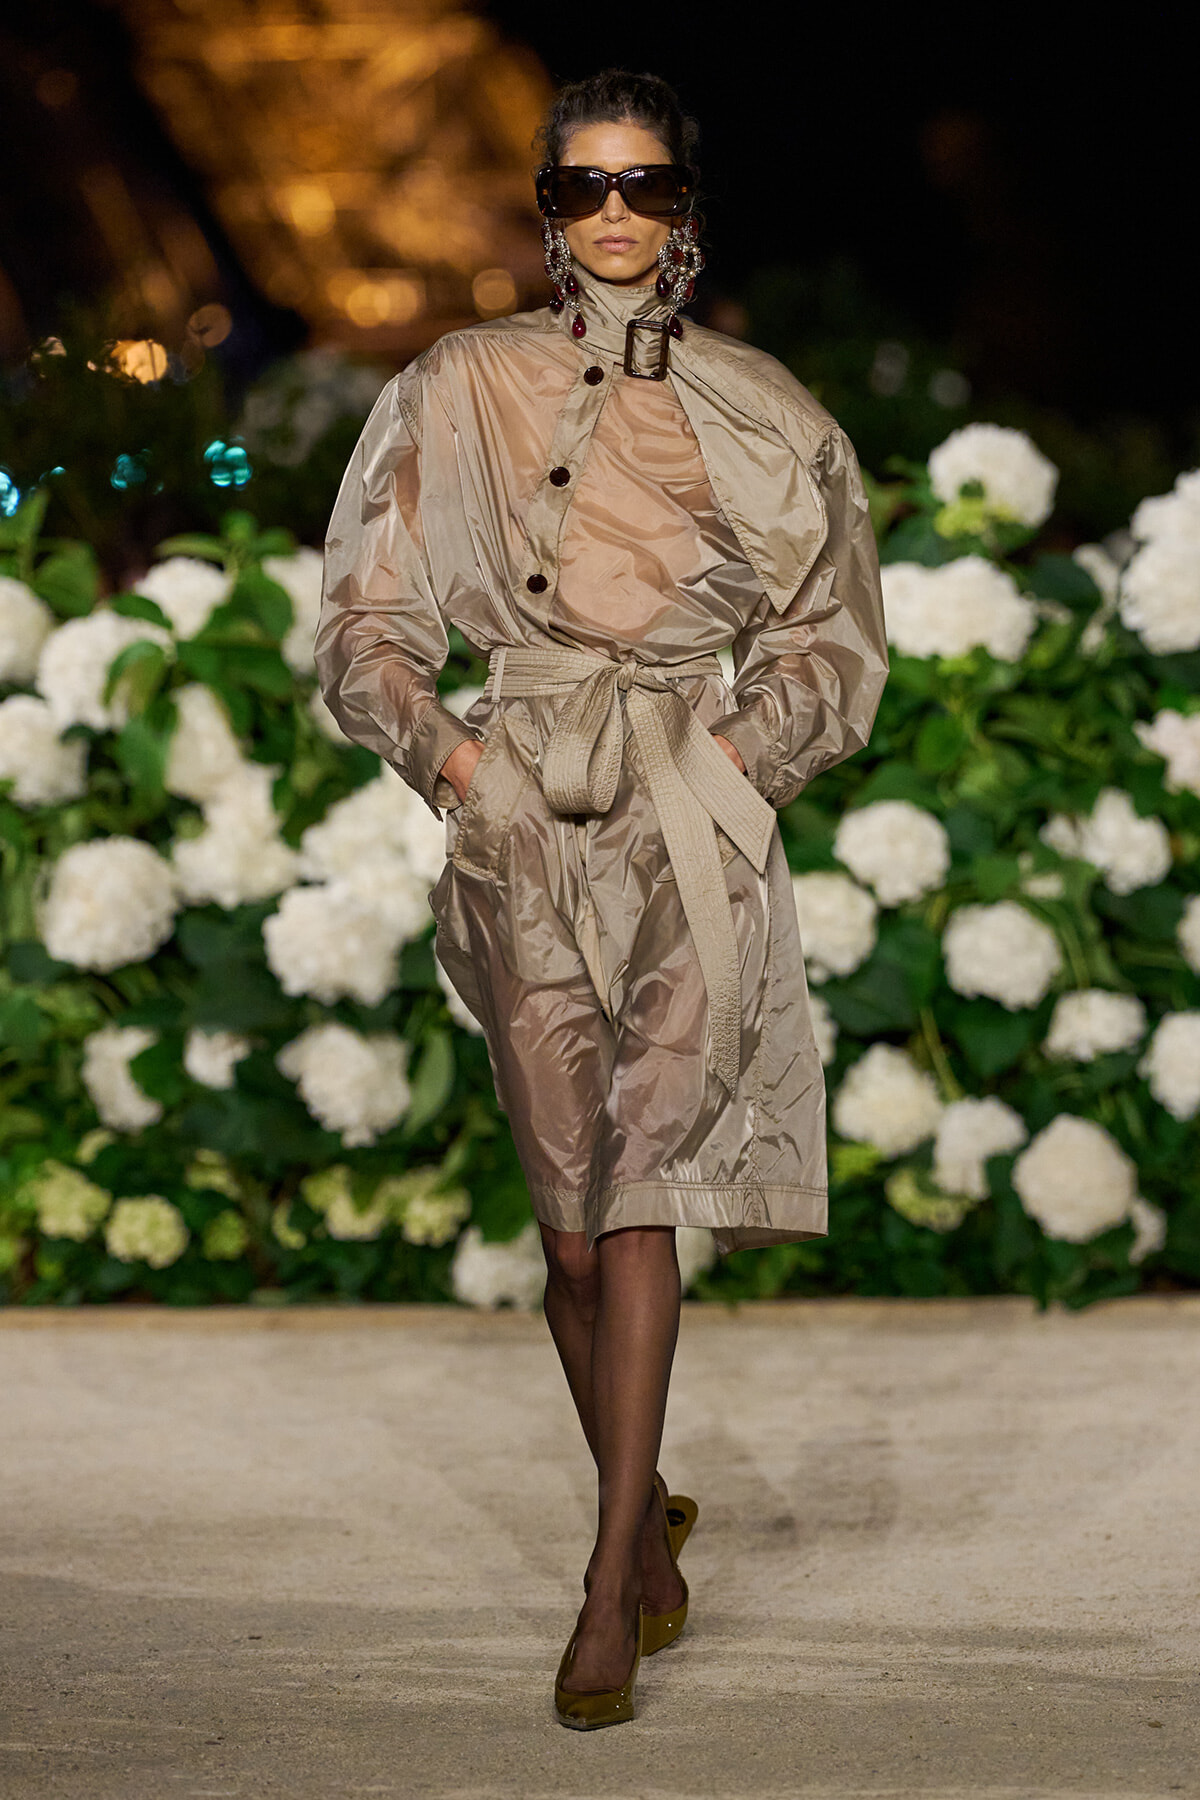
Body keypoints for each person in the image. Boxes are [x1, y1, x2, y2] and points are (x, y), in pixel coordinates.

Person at [316, 69, 889, 1729]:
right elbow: (366, 619)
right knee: (569, 1233)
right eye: (583, 191)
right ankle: (647, 1532)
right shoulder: (457, 385)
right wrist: (457, 767)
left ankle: (603, 1584)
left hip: (690, 825)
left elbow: (831, 644)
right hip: (517, 823)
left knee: (640, 1186)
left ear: (688, 205)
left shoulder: (771, 413)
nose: (616, 215)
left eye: (643, 186)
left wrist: (725, 769)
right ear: (547, 211)